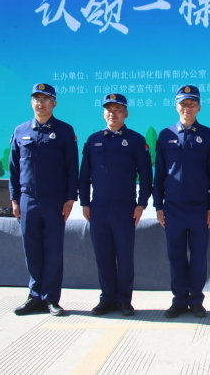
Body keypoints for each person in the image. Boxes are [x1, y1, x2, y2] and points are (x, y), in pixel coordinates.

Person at [79, 93, 152, 317]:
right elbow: (84, 175)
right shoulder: (94, 140)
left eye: (118, 110)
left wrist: (141, 204)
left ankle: (124, 300)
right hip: (99, 207)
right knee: (103, 256)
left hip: (125, 207)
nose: (113, 114)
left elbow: (146, 174)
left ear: (126, 113)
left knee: (124, 255)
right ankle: (107, 298)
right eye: (109, 110)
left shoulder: (136, 140)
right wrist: (85, 202)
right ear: (104, 114)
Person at [9, 83, 78, 316]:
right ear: (31, 102)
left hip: (54, 200)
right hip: (27, 199)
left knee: (53, 250)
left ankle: (51, 298)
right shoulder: (20, 131)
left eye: (45, 99)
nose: (41, 103)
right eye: (37, 99)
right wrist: (14, 199)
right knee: (32, 249)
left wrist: (70, 199)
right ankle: (34, 296)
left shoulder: (64, 130)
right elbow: (14, 168)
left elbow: (72, 167)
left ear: (54, 103)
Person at [154, 86, 210, 319]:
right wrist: (158, 206)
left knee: (199, 257)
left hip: (199, 208)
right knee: (176, 256)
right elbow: (159, 173)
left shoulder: (209, 135)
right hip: (172, 207)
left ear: (199, 107)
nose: (187, 108)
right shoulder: (166, 135)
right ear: (176, 106)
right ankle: (179, 300)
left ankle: (196, 300)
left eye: (192, 104)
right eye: (183, 104)